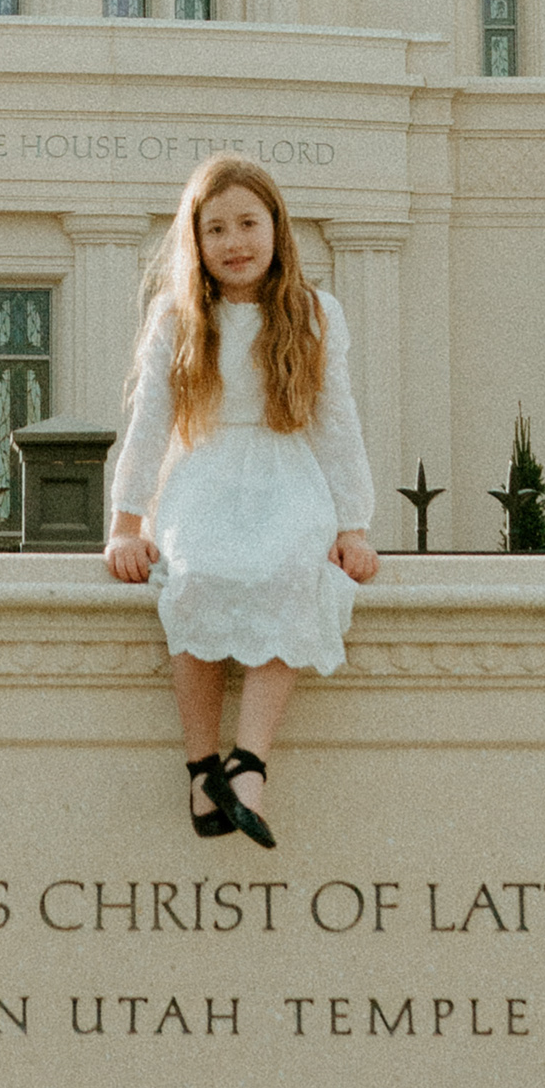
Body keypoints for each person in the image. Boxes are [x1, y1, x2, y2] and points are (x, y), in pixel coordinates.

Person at [102, 155, 378, 851]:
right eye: (216, 228)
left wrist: (355, 523)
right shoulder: (179, 316)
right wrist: (125, 524)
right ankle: (202, 764)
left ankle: (248, 762)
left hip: (287, 474)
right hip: (203, 473)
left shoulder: (315, 314)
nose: (235, 241)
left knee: (291, 570)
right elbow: (149, 423)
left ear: (276, 228)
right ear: (195, 240)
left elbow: (336, 421)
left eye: (248, 223)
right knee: (196, 576)